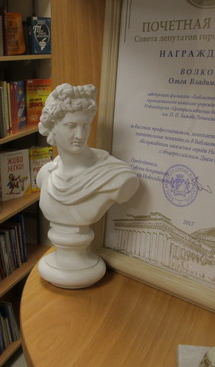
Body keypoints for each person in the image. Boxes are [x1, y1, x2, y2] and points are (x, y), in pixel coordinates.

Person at [36, 84, 139, 287]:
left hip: (84, 266)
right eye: (71, 125)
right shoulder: (45, 175)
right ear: (52, 127)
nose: (80, 134)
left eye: (86, 125)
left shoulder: (116, 176)